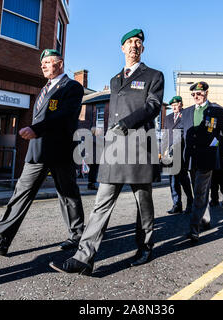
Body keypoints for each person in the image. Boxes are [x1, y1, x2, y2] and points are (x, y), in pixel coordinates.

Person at [50, 29, 165, 275]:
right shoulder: (115, 80)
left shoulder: (154, 76)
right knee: (101, 204)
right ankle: (84, 257)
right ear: (122, 48)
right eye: (130, 42)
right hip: (114, 150)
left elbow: (153, 106)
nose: (134, 46)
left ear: (142, 49)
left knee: (143, 203)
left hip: (138, 148)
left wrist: (126, 124)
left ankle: (145, 247)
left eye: (139, 43)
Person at [0, 49, 85, 255]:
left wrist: (36, 130)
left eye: (48, 62)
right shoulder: (44, 89)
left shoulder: (72, 87)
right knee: (20, 195)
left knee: (68, 195)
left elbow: (66, 116)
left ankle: (77, 237)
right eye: (42, 63)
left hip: (60, 151)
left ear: (60, 63)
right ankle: (0, 241)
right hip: (37, 152)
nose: (44, 66)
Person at [181, 81, 223, 243]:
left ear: (206, 92)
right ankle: (205, 219)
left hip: (207, 158)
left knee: (199, 191)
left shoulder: (216, 110)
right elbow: (181, 136)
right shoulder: (187, 112)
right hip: (190, 159)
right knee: (200, 191)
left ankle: (194, 228)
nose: (196, 97)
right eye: (193, 94)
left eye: (199, 93)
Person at [161, 96, 193, 214]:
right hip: (169, 153)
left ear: (181, 104)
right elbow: (165, 135)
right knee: (172, 181)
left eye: (176, 104)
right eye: (172, 105)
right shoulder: (168, 118)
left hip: (181, 151)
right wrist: (162, 150)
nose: (174, 107)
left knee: (184, 179)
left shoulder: (186, 115)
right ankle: (177, 204)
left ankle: (190, 202)